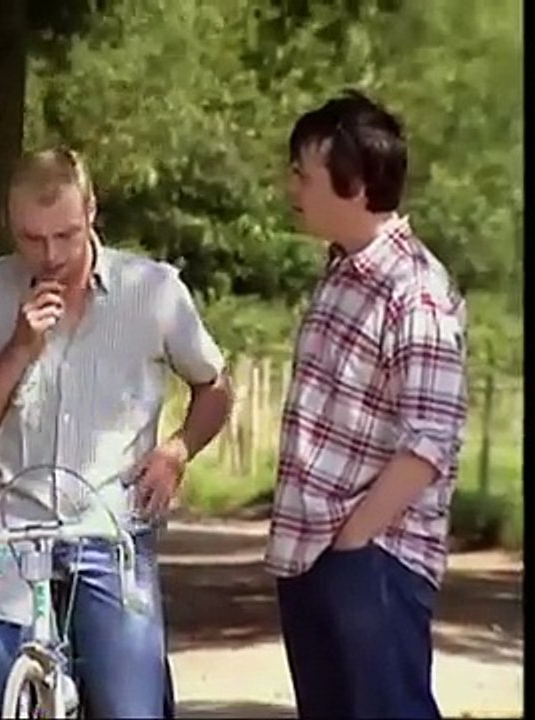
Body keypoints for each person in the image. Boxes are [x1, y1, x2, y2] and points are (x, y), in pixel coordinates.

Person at [0, 147, 233, 718]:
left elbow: (214, 384)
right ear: (9, 223)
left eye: (65, 236)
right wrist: (20, 348)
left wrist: (177, 450)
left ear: (92, 210)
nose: (50, 256)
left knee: (132, 708)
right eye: (31, 238)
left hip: (110, 529)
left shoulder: (153, 289)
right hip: (6, 532)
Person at [265, 90, 468, 719]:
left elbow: (429, 442)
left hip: (375, 558)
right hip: (311, 552)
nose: (291, 188)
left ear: (353, 186)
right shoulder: (343, 272)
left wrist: (354, 542)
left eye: (303, 175)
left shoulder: (416, 292)